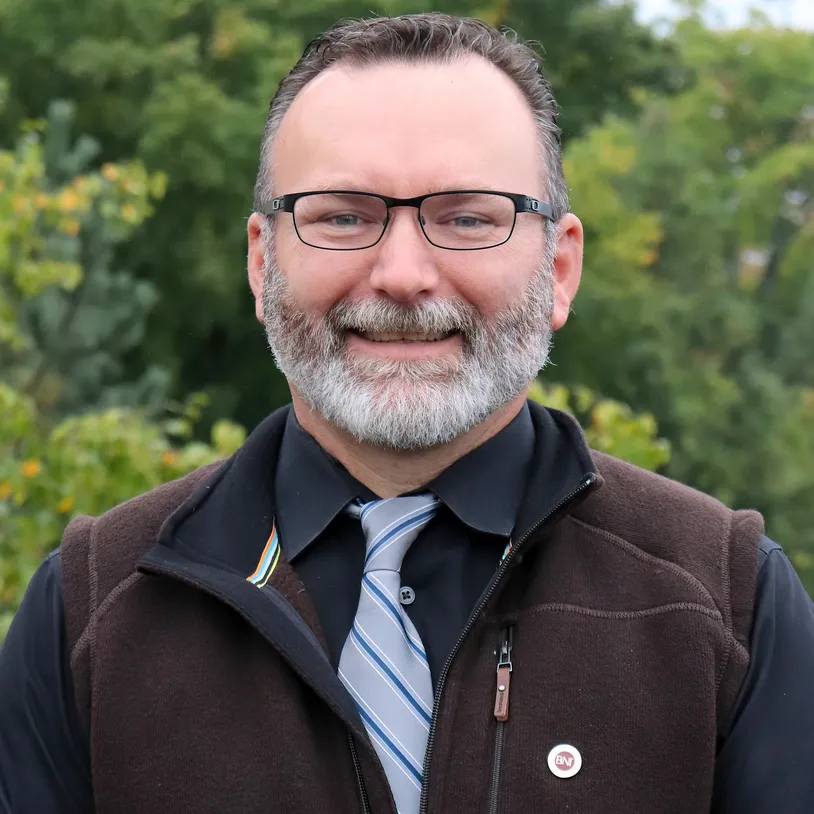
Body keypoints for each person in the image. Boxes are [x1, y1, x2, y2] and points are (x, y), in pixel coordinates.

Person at [1, 11, 813, 814]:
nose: (400, 274)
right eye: (343, 216)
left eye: (467, 218)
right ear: (261, 262)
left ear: (560, 268)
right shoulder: (93, 607)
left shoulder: (729, 604)